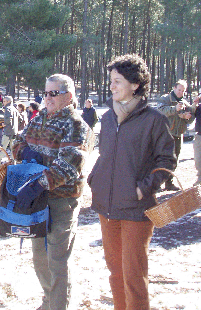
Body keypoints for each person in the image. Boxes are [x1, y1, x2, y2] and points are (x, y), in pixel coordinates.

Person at [88, 54, 176, 310]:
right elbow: (105, 155)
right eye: (111, 81)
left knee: (134, 276)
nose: (111, 86)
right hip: (107, 207)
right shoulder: (106, 118)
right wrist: (95, 179)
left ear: (135, 84)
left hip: (137, 210)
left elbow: (167, 161)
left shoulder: (154, 120)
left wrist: (143, 188)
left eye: (117, 81)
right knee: (115, 274)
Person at [12, 74, 94, 310]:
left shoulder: (77, 124)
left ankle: (58, 306)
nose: (46, 98)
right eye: (45, 93)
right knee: (39, 258)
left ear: (68, 97)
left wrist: (39, 183)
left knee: (56, 261)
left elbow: (70, 164)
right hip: (37, 200)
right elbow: (17, 140)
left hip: (61, 201)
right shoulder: (39, 119)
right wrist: (25, 153)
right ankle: (48, 301)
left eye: (53, 93)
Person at [157, 80, 195, 191]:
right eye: (179, 90)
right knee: (162, 159)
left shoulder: (184, 102)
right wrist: (175, 109)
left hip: (178, 135)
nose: (181, 93)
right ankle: (157, 183)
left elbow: (191, 118)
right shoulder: (165, 99)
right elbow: (160, 111)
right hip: (165, 134)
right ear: (174, 88)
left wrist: (187, 116)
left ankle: (169, 183)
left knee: (174, 160)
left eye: (183, 91)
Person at [0, 95, 19, 162]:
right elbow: (20, 119)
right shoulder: (15, 109)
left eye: (4, 101)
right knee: (12, 148)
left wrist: (5, 124)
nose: (3, 102)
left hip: (7, 131)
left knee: (3, 147)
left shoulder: (7, 108)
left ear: (8, 101)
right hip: (14, 131)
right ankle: (14, 161)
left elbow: (8, 118)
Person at [193, 90, 201, 186]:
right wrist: (195, 103)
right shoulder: (198, 106)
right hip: (199, 136)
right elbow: (190, 114)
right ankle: (200, 179)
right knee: (198, 159)